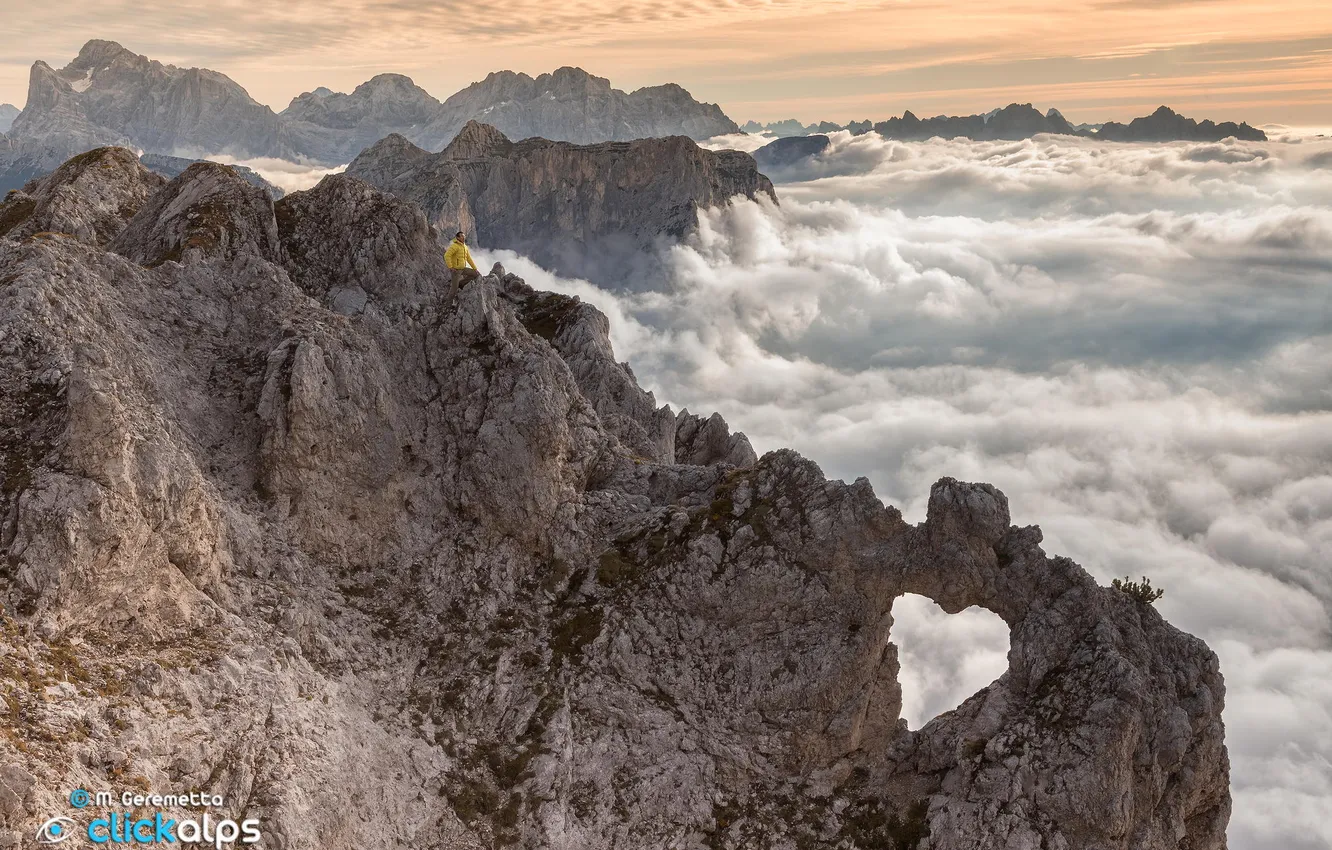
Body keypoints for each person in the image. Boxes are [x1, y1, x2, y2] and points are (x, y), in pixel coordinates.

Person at [443, 231, 480, 308]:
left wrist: (475, 268)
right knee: (454, 289)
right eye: (462, 236)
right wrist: (451, 267)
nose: (463, 238)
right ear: (457, 238)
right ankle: (448, 305)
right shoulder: (454, 246)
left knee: (475, 274)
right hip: (456, 270)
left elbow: (469, 258)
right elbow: (447, 256)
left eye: (464, 236)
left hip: (463, 268)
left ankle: (461, 283)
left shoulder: (465, 247)